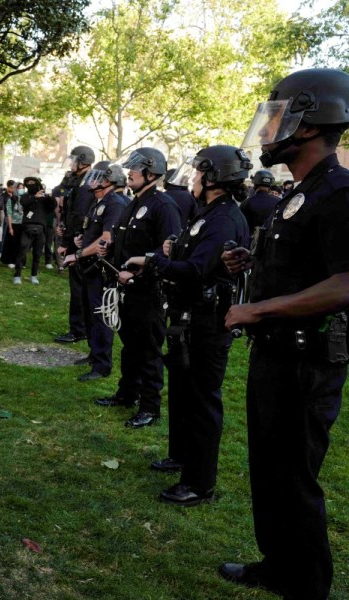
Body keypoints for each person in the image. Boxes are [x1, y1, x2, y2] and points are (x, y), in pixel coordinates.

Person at [220, 68, 349, 600]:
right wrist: (250, 260)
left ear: (309, 123)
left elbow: (344, 282)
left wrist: (260, 308)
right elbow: (306, 265)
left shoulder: (338, 192)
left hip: (308, 359)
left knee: (295, 478)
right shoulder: (297, 194)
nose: (269, 130)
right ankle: (278, 565)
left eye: (279, 118)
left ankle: (308, 585)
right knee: (270, 470)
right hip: (276, 354)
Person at [125, 145, 250, 505]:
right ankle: (181, 457)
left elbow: (197, 272)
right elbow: (193, 256)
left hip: (207, 325)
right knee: (182, 394)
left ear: (213, 177)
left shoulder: (223, 218)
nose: (193, 179)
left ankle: (199, 482)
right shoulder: (207, 213)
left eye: (198, 173)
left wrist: (150, 263)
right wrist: (169, 250)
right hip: (187, 321)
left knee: (201, 402)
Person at [97, 147, 182, 428]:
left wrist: (137, 269)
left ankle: (150, 407)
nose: (129, 172)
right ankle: (127, 394)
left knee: (148, 351)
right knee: (130, 347)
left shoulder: (164, 205)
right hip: (126, 290)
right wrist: (109, 250)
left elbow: (168, 248)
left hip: (148, 292)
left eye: (135, 167)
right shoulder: (133, 202)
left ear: (151, 172)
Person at [62, 161, 127, 381]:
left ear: (110, 181)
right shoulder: (97, 201)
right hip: (88, 269)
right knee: (90, 314)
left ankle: (102, 365)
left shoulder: (114, 203)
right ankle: (93, 353)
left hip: (100, 270)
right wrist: (81, 240)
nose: (94, 180)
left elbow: (106, 238)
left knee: (101, 318)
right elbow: (93, 231)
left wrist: (78, 254)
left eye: (100, 177)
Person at [56, 145, 97, 343]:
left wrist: (66, 241)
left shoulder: (85, 185)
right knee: (79, 286)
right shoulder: (82, 181)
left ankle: (78, 329)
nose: (71, 163)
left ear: (83, 161)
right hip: (77, 238)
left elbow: (79, 215)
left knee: (78, 287)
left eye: (74, 160)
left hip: (78, 241)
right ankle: (81, 327)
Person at [14, 176, 57, 284]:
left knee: (37, 254)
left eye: (32, 182)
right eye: (28, 183)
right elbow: (24, 203)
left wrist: (50, 197)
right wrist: (35, 197)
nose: (30, 184)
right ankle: (17, 275)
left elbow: (52, 207)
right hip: (27, 228)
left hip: (41, 229)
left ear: (37, 184)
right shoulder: (25, 196)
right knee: (22, 252)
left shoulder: (44, 197)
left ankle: (33, 275)